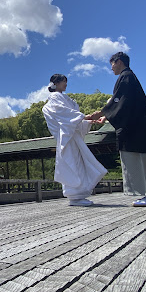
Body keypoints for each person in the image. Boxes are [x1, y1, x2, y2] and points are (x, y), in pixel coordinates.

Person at [86, 52, 146, 207]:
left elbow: (118, 101)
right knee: (145, 159)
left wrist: (100, 113)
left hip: (136, 129)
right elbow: (121, 102)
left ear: (119, 62)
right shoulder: (129, 77)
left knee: (142, 158)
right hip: (139, 126)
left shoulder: (126, 77)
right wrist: (106, 116)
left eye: (112, 64)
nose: (112, 68)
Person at [42, 74, 108, 206]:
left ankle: (78, 195)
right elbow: (65, 114)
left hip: (71, 135)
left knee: (77, 163)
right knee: (73, 163)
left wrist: (90, 120)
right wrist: (86, 117)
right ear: (56, 83)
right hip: (67, 136)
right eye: (63, 82)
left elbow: (72, 117)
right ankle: (75, 196)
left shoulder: (64, 98)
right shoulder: (55, 98)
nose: (66, 84)